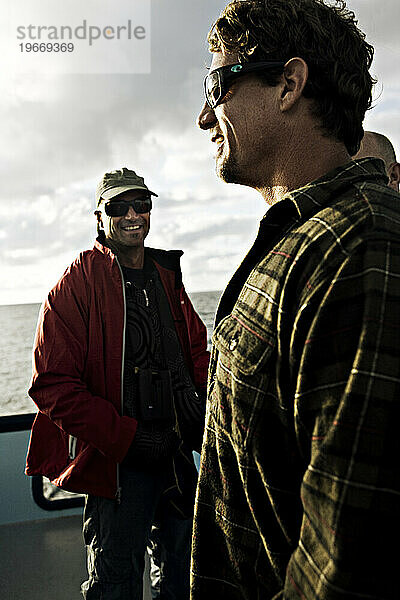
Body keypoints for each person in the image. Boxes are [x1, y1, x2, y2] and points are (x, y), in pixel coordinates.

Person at [191, 1, 400, 599]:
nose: (206, 116)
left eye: (217, 84)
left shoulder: (363, 247)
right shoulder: (305, 245)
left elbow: (346, 563)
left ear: (288, 84)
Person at [25, 167, 209, 599]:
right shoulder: (75, 285)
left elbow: (197, 353)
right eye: (118, 206)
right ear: (99, 217)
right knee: (115, 583)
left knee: (184, 577)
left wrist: (202, 413)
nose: (132, 214)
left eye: (141, 204)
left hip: (176, 453)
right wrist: (129, 440)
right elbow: (52, 387)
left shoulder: (167, 275)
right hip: (119, 465)